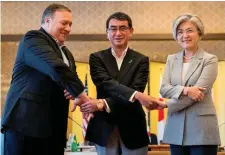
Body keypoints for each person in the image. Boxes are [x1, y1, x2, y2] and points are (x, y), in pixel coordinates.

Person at [1, 4, 90, 155]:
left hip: (53, 131)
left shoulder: (67, 53)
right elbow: (55, 67)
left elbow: (67, 79)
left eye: (70, 24)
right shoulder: (33, 38)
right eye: (64, 23)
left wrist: (70, 91)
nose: (68, 28)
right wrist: (81, 94)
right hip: (25, 127)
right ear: (47, 21)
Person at [76, 12, 163, 155]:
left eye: (123, 28)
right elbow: (106, 84)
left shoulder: (141, 60)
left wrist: (102, 103)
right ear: (107, 33)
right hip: (104, 127)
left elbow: (136, 89)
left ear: (131, 32)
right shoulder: (96, 58)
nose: (118, 33)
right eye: (113, 28)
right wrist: (135, 95)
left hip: (133, 127)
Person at [160, 13, 221, 155]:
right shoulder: (171, 59)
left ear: (199, 33)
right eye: (180, 32)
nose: (184, 36)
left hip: (202, 130)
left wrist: (165, 104)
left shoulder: (209, 59)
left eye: (189, 30)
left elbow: (198, 94)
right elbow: (164, 89)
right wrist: (186, 90)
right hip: (175, 129)